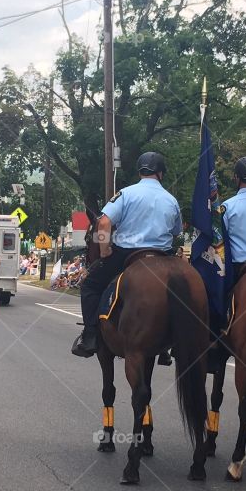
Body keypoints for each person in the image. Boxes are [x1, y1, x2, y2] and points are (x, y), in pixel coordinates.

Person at [71, 151, 182, 357]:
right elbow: (177, 232)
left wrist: (104, 250)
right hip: (163, 254)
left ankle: (90, 335)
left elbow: (103, 223)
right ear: (161, 173)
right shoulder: (171, 200)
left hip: (127, 253)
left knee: (90, 286)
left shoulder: (127, 193)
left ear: (140, 171)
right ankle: (175, 340)